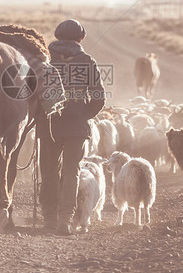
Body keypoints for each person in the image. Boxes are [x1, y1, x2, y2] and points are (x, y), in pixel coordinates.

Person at [36, 19, 106, 235]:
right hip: (76, 127)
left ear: (57, 36)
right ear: (80, 38)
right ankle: (65, 221)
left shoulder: (44, 59)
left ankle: (49, 218)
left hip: (48, 125)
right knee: (71, 172)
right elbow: (99, 97)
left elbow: (32, 92)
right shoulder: (87, 61)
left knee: (48, 172)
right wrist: (83, 115)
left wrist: (41, 113)